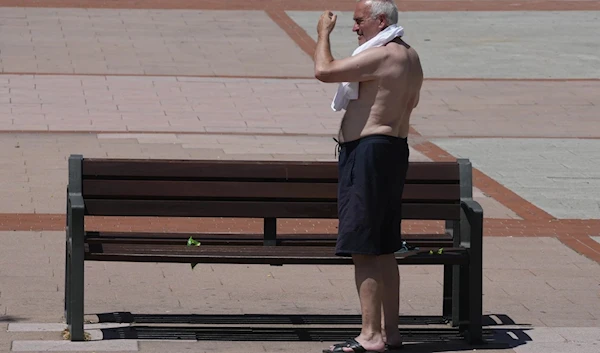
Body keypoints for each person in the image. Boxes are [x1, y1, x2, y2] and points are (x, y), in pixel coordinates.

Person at [313, 1, 423, 352]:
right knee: (385, 246)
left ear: (380, 21)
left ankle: (370, 335)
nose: (355, 28)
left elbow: (324, 70)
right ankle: (390, 333)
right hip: (391, 150)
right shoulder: (411, 56)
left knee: (364, 248)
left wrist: (322, 33)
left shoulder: (383, 56)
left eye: (359, 22)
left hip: (370, 154)